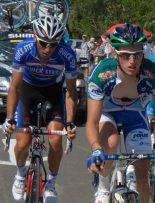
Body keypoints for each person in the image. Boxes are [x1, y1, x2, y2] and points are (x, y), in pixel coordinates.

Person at [85, 23, 155, 203]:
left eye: (137, 55)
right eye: (126, 55)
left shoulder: (153, 73)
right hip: (108, 113)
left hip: (135, 114)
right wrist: (96, 149)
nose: (132, 61)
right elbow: (91, 122)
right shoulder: (102, 73)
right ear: (116, 54)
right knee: (110, 141)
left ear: (143, 53)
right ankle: (103, 187)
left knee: (142, 173)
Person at [2, 15, 77, 202]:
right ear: (35, 36)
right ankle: (20, 174)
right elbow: (15, 87)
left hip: (53, 93)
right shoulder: (23, 50)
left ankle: (51, 183)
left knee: (54, 139)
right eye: (43, 43)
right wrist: (9, 118)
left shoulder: (67, 54)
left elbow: (71, 93)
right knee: (22, 143)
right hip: (28, 91)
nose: (48, 49)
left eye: (53, 44)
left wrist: (70, 123)